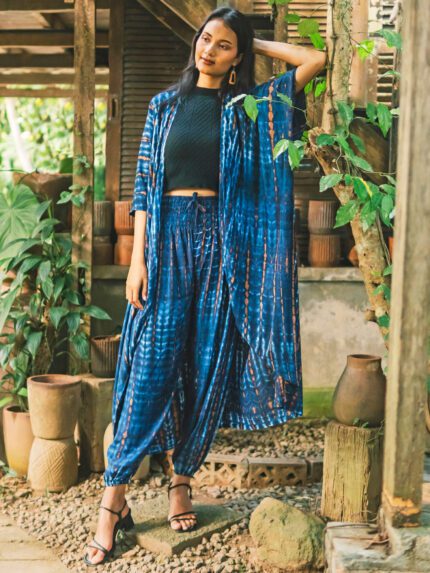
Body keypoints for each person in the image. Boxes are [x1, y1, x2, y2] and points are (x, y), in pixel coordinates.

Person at [84, 6, 325, 567]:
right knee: (151, 366)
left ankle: (181, 481)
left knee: (207, 362)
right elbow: (145, 185)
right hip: (166, 240)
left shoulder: (247, 108)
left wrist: (254, 42)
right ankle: (113, 499)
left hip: (221, 243)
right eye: (205, 38)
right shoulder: (164, 106)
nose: (208, 50)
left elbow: (313, 59)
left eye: (223, 44)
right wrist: (137, 261)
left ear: (237, 55)